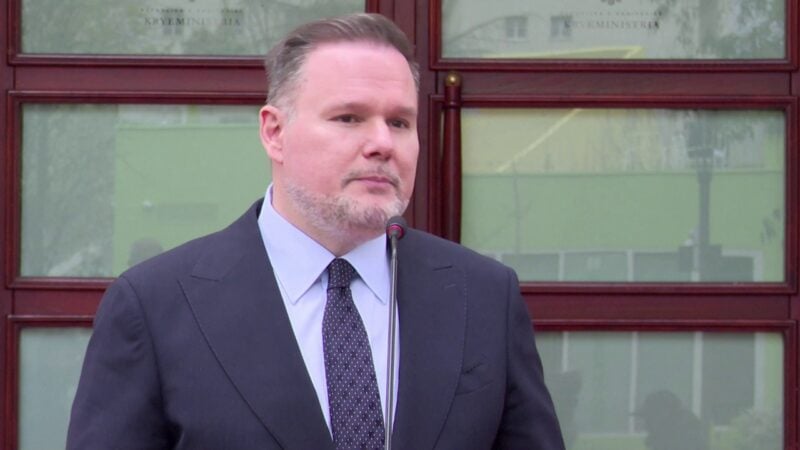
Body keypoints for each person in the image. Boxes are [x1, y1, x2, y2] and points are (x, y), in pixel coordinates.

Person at [67, 13, 564, 450]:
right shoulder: (156, 307)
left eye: (399, 122)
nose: (382, 143)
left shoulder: (483, 297)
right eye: (349, 117)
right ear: (275, 132)